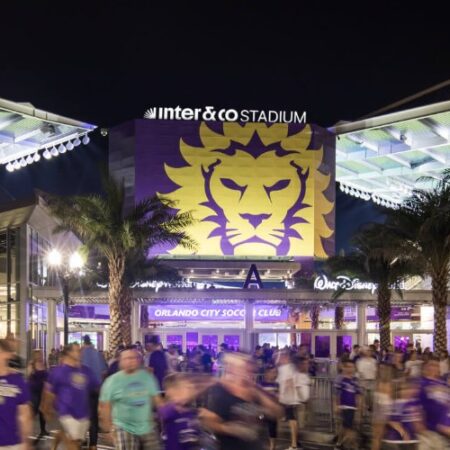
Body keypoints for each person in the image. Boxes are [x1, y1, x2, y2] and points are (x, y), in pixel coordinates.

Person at [201, 352, 283, 450]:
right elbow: (208, 421)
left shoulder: (254, 390)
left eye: (249, 367)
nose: (249, 371)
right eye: (244, 367)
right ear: (232, 368)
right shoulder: (220, 390)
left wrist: (258, 393)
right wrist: (230, 429)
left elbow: (278, 412)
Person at [99, 346, 162, 450]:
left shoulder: (147, 377)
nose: (131, 361)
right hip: (123, 427)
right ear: (120, 362)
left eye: (134, 358)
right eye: (127, 358)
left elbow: (157, 400)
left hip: (146, 426)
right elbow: (105, 407)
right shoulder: (112, 381)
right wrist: (108, 429)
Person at [42, 343, 99, 450]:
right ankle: (63, 436)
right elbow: (49, 392)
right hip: (66, 411)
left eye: (79, 350)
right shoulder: (59, 371)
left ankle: (58, 438)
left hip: (83, 414)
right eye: (76, 350)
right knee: (73, 445)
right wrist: (46, 408)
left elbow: (97, 387)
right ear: (68, 353)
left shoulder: (86, 371)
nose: (79, 353)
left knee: (76, 442)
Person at [159, 373, 214, 450]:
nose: (191, 390)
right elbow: (164, 411)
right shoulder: (170, 412)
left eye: (190, 388)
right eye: (186, 388)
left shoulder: (191, 413)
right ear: (173, 391)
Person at [0, 338, 32, 449]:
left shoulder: (17, 380)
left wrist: (25, 440)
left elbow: (24, 414)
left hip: (13, 443)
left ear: (7, 355)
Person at [81, 334, 107, 450]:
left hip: (83, 390)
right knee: (94, 417)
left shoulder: (80, 355)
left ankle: (82, 438)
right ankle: (93, 444)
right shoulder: (97, 354)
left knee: (82, 415)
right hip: (96, 389)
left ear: (83, 342)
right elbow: (104, 371)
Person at [418, 358, 450, 449]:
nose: (435, 367)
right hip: (430, 430)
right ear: (425, 367)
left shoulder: (443, 384)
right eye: (432, 365)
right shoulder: (421, 383)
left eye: (437, 365)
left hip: (445, 430)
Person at [382, 381, 423, 449]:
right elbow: (392, 421)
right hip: (397, 441)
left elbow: (417, 421)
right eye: (404, 389)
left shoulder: (415, 404)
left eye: (409, 389)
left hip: (413, 440)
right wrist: (403, 433)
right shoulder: (397, 404)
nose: (407, 391)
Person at [334, 360, 362, 450]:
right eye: (348, 367)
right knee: (349, 427)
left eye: (352, 367)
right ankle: (353, 445)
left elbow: (358, 394)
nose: (350, 369)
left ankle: (339, 443)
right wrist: (336, 405)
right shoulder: (340, 378)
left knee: (345, 426)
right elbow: (336, 393)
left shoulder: (355, 380)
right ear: (344, 368)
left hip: (352, 406)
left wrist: (359, 406)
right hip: (344, 406)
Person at [27, 348, 49, 440]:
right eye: (38, 354)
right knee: (34, 410)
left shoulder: (44, 364)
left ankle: (43, 430)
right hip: (34, 391)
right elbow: (28, 376)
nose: (40, 356)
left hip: (42, 391)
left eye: (40, 354)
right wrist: (31, 371)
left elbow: (47, 376)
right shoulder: (31, 364)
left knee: (42, 411)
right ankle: (27, 428)